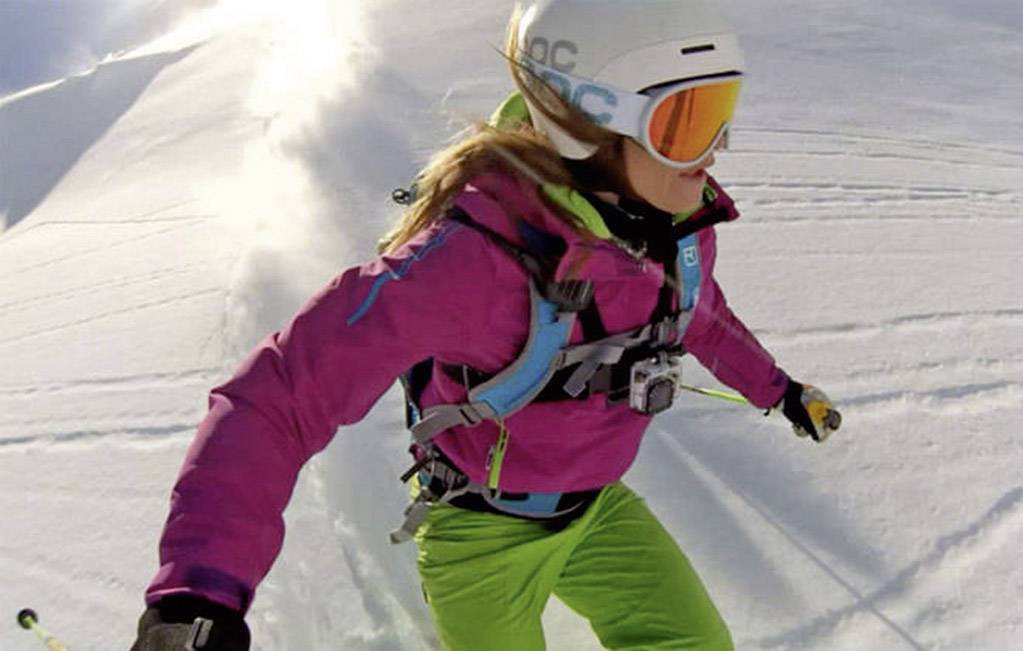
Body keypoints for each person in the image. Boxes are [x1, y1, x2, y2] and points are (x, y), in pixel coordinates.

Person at [131, 1, 841, 649]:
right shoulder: (471, 263)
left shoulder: (673, 227)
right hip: (481, 534)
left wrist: (779, 389)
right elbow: (278, 395)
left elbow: (701, 316)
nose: (715, 148)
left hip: (596, 514)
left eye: (722, 110)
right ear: (587, 123)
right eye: (684, 124)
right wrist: (197, 593)